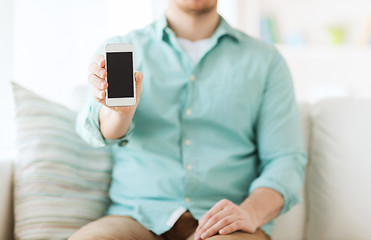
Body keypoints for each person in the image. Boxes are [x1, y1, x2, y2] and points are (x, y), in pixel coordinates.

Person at [70, 0, 307, 239]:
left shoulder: (265, 60)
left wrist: (250, 213)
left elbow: (285, 159)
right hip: (136, 218)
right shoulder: (123, 47)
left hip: (224, 225)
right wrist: (118, 114)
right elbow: (93, 130)